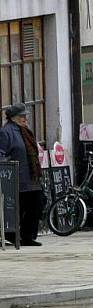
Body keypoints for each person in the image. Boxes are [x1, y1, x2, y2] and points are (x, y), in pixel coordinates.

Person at [0, 104, 44, 246]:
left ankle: (28, 236)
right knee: (17, 207)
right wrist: (7, 168)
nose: (25, 118)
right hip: (17, 177)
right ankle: (12, 235)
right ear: (13, 118)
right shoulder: (6, 132)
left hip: (31, 176)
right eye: (22, 116)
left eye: (26, 116)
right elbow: (1, 154)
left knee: (35, 205)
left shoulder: (25, 131)